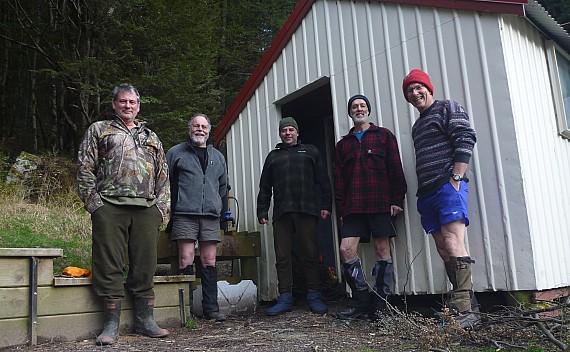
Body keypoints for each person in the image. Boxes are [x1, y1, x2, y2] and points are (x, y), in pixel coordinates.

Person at [77, 83, 170, 345]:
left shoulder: (151, 136)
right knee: (109, 264)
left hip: (145, 208)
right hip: (109, 205)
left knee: (145, 264)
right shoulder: (99, 129)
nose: (127, 106)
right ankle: (110, 325)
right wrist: (94, 203)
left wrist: (161, 209)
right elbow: (84, 166)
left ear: (138, 106)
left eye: (132, 102)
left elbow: (163, 175)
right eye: (122, 102)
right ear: (114, 103)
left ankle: (145, 321)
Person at [402, 69, 479, 327]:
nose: (414, 94)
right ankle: (468, 304)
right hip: (427, 193)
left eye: (418, 88)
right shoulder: (417, 125)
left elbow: (466, 138)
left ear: (428, 88)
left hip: (448, 187)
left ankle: (463, 310)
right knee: (443, 247)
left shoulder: (448, 107)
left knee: (452, 240)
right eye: (409, 91)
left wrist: (456, 178)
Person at [334, 94, 407, 320]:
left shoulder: (384, 136)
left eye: (362, 105)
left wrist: (396, 199)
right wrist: (341, 207)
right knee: (346, 249)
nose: (359, 109)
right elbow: (338, 179)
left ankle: (381, 303)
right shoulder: (342, 144)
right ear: (349, 112)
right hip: (353, 206)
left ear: (368, 110)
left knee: (382, 250)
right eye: (354, 107)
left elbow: (396, 168)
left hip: (380, 202)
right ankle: (361, 301)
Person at [257, 117, 332, 316]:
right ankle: (285, 297)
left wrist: (326, 204)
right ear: (280, 134)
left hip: (307, 210)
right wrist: (262, 211)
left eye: (291, 129)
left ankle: (314, 295)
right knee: (282, 256)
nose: (288, 133)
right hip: (282, 213)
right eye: (284, 130)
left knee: (310, 253)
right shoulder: (273, 156)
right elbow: (265, 186)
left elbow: (323, 180)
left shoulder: (311, 151)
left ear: (297, 133)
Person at [166, 113, 228, 322]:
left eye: (204, 126)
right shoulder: (176, 153)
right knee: (186, 258)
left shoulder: (218, 157)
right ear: (189, 129)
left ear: (209, 131)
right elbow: (168, 183)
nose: (200, 129)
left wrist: (223, 216)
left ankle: (211, 308)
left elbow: (222, 187)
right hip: (184, 214)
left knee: (209, 260)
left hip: (210, 215)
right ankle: (186, 309)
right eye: (196, 126)